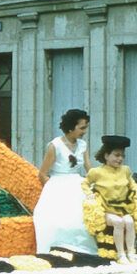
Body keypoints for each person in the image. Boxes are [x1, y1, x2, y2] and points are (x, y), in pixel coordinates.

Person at [34, 109, 95, 254]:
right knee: (56, 222)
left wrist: (96, 183)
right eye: (82, 128)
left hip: (78, 185)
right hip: (57, 185)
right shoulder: (54, 146)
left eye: (85, 127)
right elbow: (42, 174)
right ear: (70, 127)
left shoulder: (83, 145)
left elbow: (89, 169)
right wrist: (51, 190)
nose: (84, 131)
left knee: (81, 221)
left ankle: (83, 251)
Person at [82, 135, 137, 264]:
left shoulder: (126, 170)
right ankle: (120, 254)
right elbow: (84, 183)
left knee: (129, 222)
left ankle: (131, 252)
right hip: (106, 209)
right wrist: (89, 194)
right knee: (118, 222)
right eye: (117, 155)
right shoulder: (96, 172)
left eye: (122, 156)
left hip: (123, 208)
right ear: (106, 155)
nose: (120, 159)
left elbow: (132, 184)